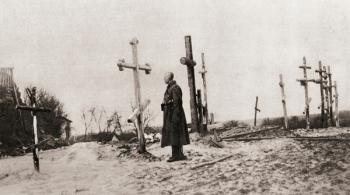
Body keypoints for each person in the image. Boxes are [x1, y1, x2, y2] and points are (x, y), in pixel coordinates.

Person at [161, 72, 190, 162]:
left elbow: (177, 103)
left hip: (174, 114)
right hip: (170, 114)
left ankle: (177, 156)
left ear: (169, 78)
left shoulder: (175, 88)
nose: (164, 79)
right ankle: (178, 155)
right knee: (173, 134)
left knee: (175, 134)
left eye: (165, 77)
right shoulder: (170, 87)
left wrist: (175, 116)